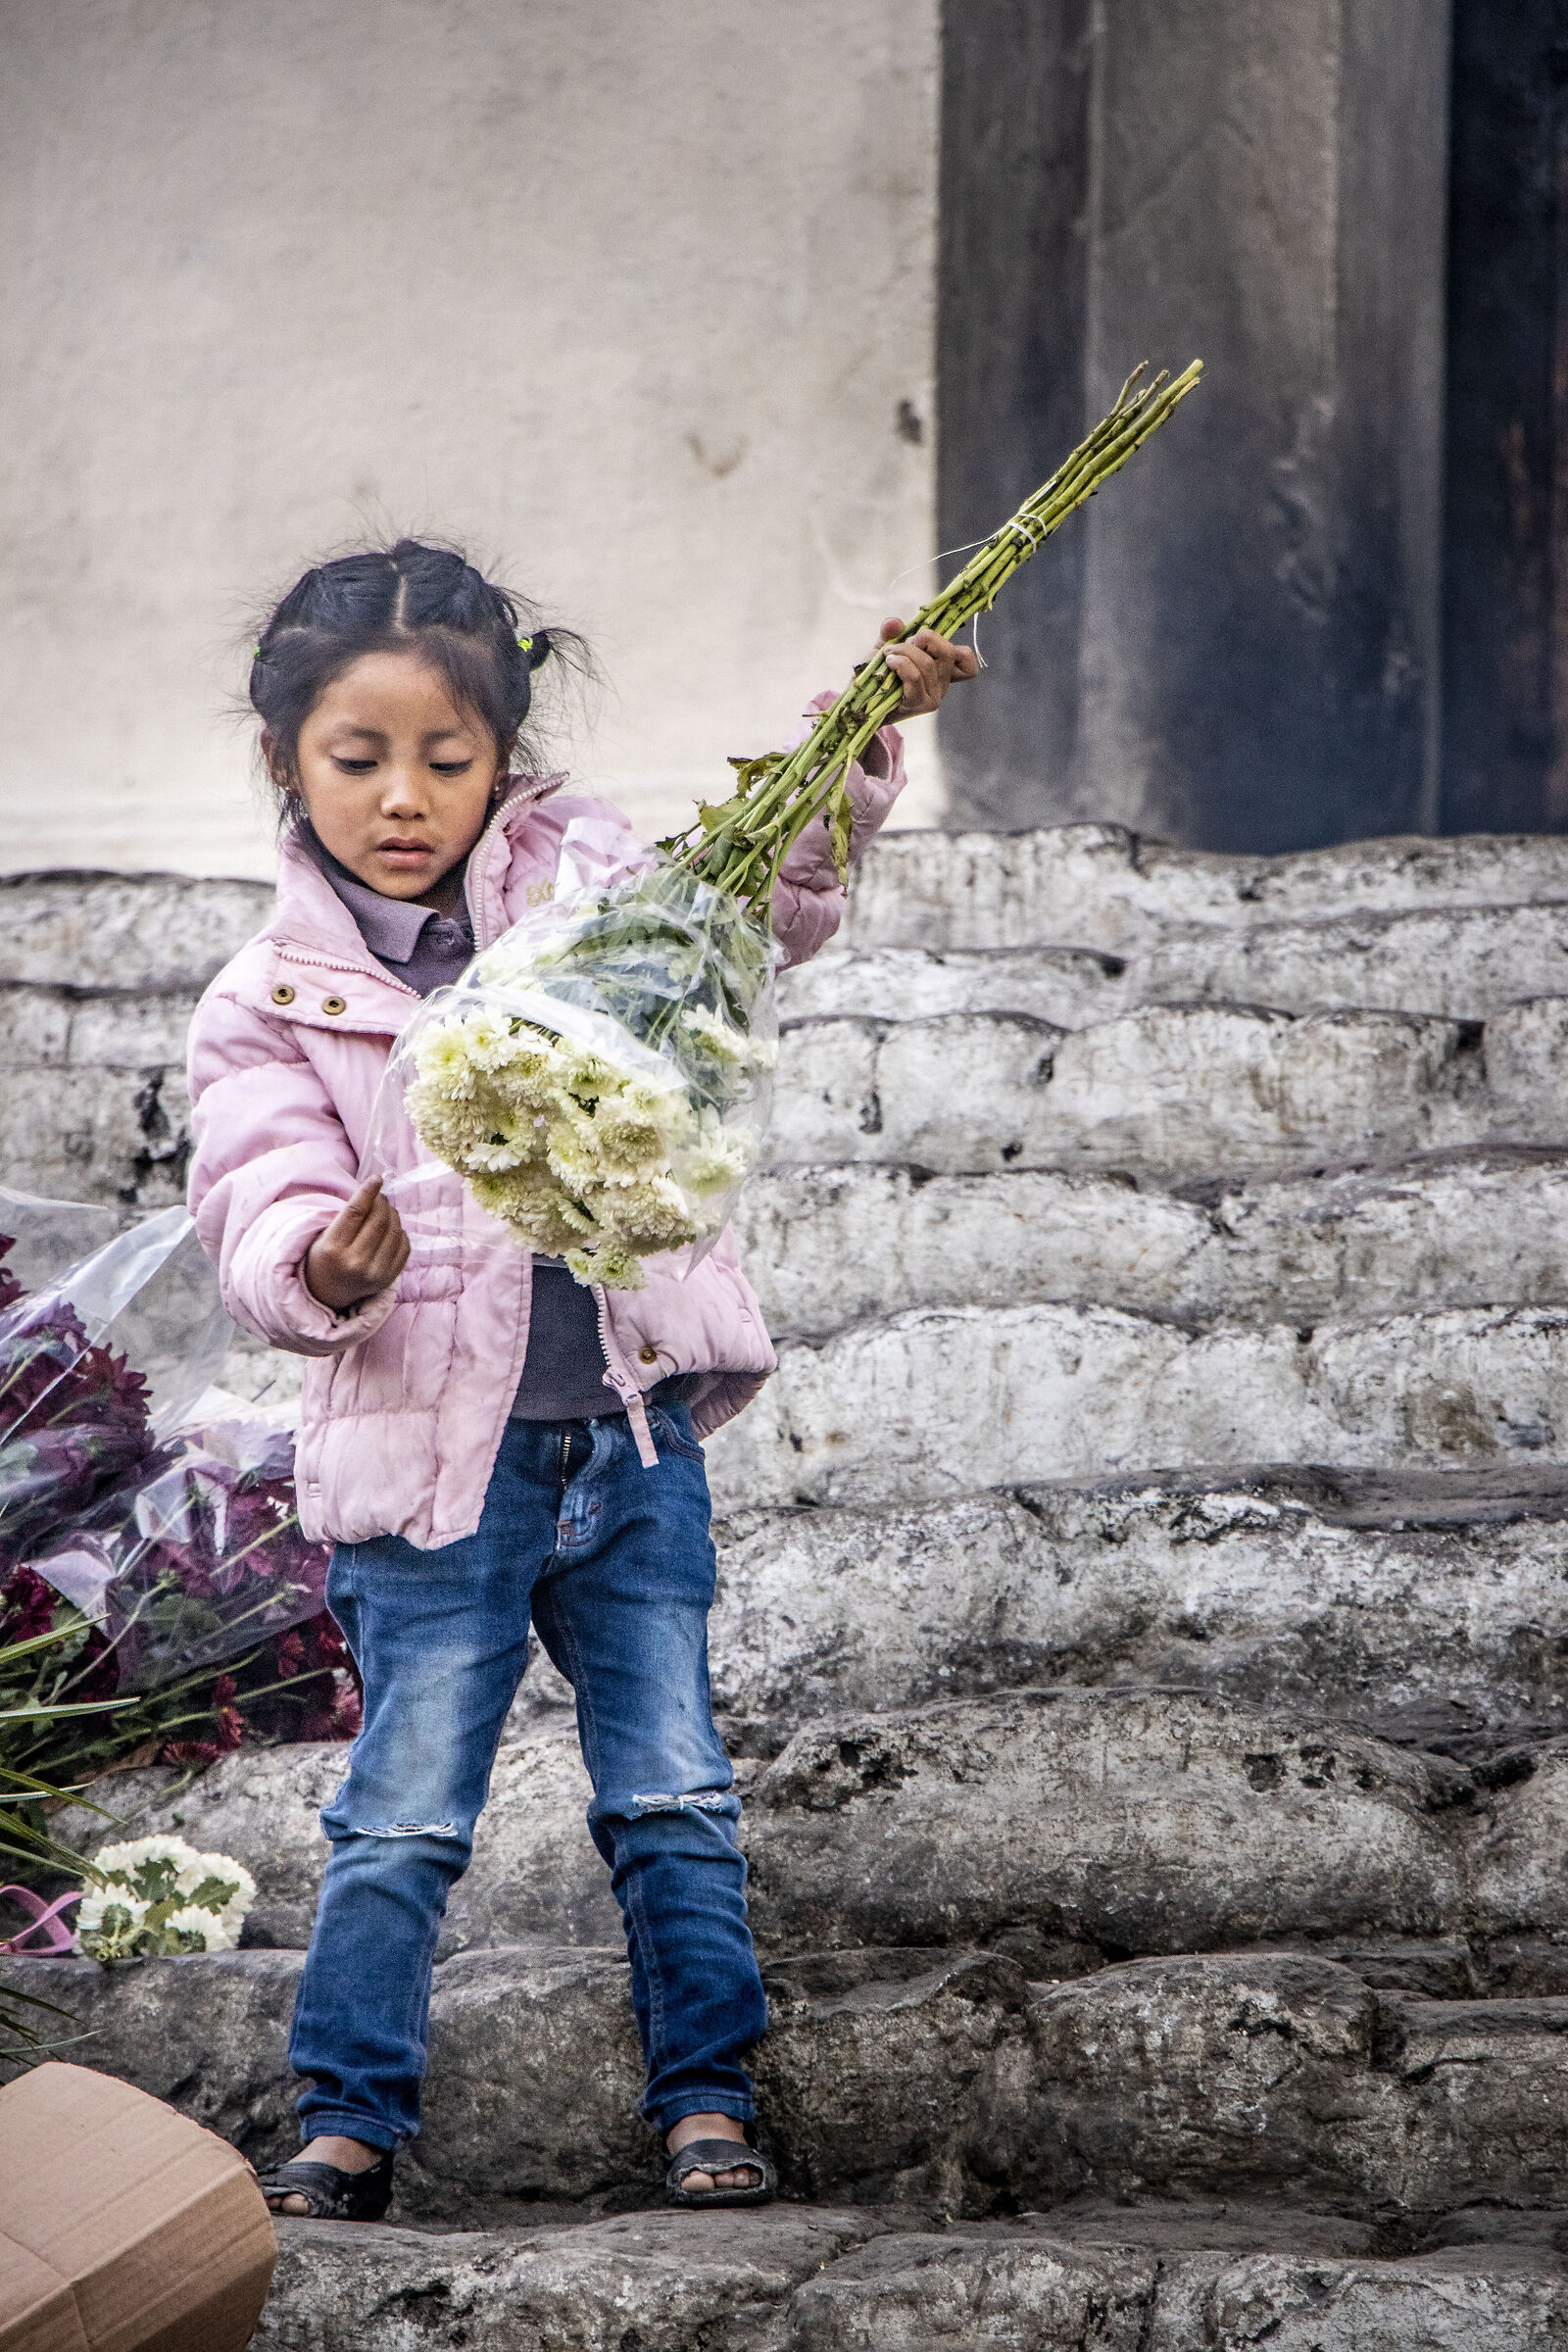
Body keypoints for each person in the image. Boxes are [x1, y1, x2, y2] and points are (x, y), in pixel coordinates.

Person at [186, 539, 977, 2220]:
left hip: (625, 1446)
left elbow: (757, 910)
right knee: (401, 1813)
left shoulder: (594, 887)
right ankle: (347, 2118)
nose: (406, 797)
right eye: (359, 759)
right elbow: (251, 1192)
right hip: (422, 1469)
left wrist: (852, 744)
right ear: (286, 764)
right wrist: (317, 1267)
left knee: (673, 1789)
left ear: (505, 757)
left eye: (447, 760)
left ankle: (704, 2096)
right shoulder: (269, 1001)